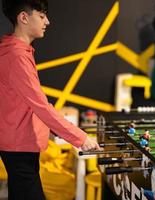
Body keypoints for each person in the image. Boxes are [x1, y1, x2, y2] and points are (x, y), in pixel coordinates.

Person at [0, 0, 100, 199]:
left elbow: (25, 104)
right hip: (18, 146)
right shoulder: (17, 56)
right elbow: (40, 106)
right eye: (42, 15)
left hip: (17, 144)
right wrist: (81, 138)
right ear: (24, 18)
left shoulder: (16, 51)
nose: (48, 21)